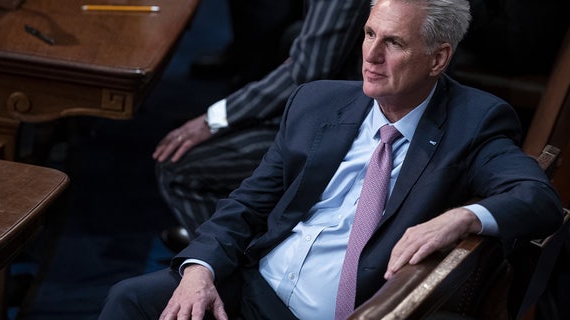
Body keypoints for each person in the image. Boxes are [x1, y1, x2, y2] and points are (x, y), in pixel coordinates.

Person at [103, 0, 564, 319]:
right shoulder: (317, 102)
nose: (371, 55)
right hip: (254, 285)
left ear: (439, 57)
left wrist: (463, 217)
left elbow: (538, 199)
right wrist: (199, 271)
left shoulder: (473, 121)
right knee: (131, 299)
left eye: (395, 43)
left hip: (345, 309)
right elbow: (244, 206)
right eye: (368, 34)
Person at [153, 0, 371, 240]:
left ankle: (233, 260)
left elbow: (306, 71)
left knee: (180, 167)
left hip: (348, 127)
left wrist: (213, 120)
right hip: (331, 101)